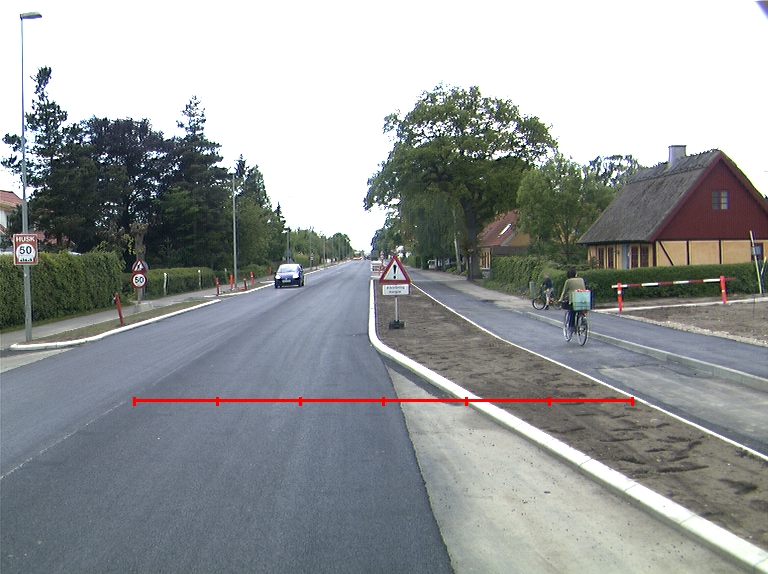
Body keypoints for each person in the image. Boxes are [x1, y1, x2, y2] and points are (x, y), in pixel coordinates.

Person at [560, 268, 586, 333]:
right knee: (581, 310)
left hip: (574, 299)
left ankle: (571, 327)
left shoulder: (568, 281)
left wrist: (561, 299)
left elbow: (564, 292)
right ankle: (583, 321)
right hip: (584, 298)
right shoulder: (581, 279)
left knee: (572, 312)